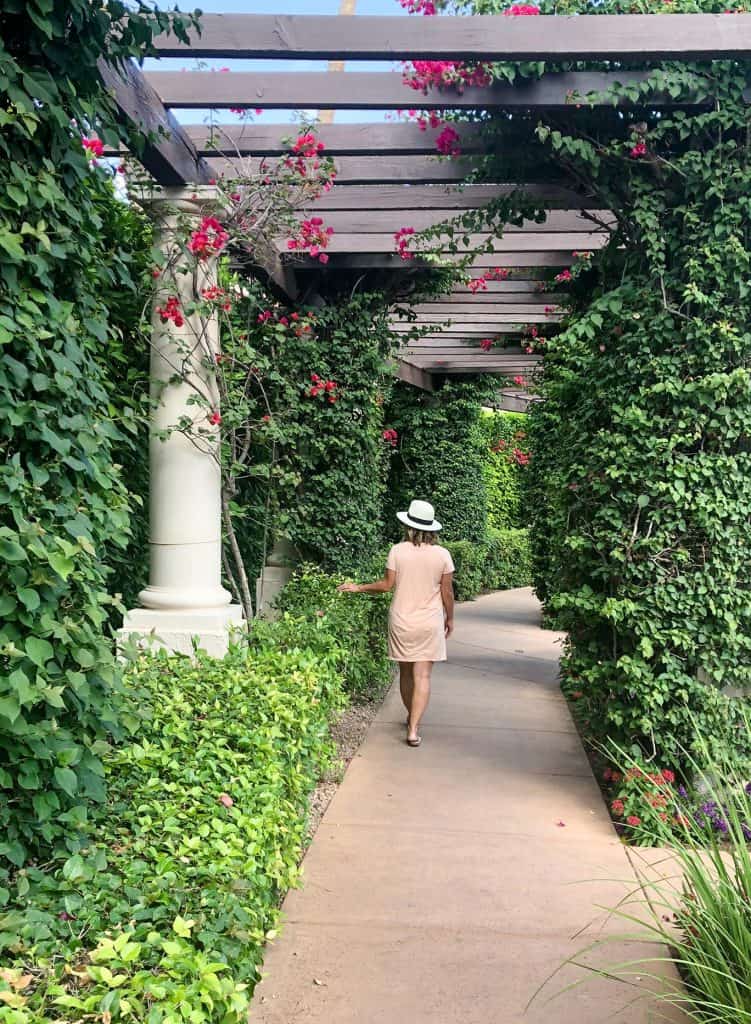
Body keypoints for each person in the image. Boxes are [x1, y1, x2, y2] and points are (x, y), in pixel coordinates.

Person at [338, 499, 455, 748]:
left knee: (405, 673)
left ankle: (410, 714)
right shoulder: (443, 555)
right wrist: (450, 618)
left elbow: (386, 585)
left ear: (409, 525)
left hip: (401, 621)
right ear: (432, 529)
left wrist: (358, 587)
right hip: (428, 622)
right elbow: (447, 593)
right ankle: (413, 728)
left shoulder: (397, 551)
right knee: (422, 676)